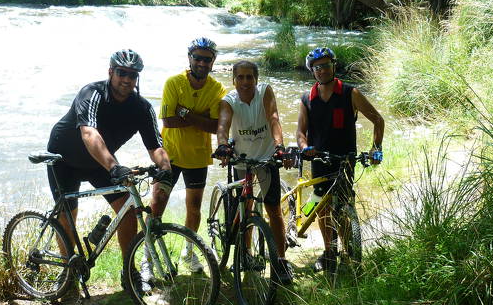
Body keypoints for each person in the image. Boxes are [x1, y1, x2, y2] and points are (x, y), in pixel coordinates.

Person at [46, 49, 172, 289]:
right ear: (110, 72)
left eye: (132, 75)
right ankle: (67, 273)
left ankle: (129, 272)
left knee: (127, 209)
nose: (126, 79)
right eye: (121, 73)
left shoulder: (142, 108)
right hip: (64, 159)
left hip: (98, 162)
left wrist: (165, 166)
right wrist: (114, 167)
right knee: (67, 217)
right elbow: (89, 133)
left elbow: (155, 145)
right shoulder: (92, 93)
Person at [296, 47, 385, 272]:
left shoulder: (350, 93)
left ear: (333, 66)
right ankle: (328, 253)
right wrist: (304, 147)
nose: (322, 70)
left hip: (345, 160)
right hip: (319, 161)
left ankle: (350, 254)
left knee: (345, 206)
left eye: (326, 65)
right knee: (322, 208)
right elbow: (300, 133)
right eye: (317, 67)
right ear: (312, 71)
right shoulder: (307, 98)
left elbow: (378, 120)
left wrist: (376, 148)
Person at [214, 60, 295, 285]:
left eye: (250, 77)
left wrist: (280, 146)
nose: (245, 81)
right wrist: (222, 145)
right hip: (242, 159)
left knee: (274, 210)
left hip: (267, 157)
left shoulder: (265, 92)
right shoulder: (229, 100)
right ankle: (245, 253)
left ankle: (280, 260)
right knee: (245, 207)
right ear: (234, 80)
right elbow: (222, 125)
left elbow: (274, 119)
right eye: (240, 77)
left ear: (256, 79)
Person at [154, 37, 226, 272]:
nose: (202, 63)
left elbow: (215, 127)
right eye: (198, 58)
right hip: (169, 155)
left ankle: (188, 251)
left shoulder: (217, 89)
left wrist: (185, 112)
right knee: (158, 205)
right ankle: (149, 254)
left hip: (197, 156)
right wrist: (200, 116)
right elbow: (168, 121)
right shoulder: (173, 83)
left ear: (213, 61)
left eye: (207, 59)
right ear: (189, 58)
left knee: (194, 207)